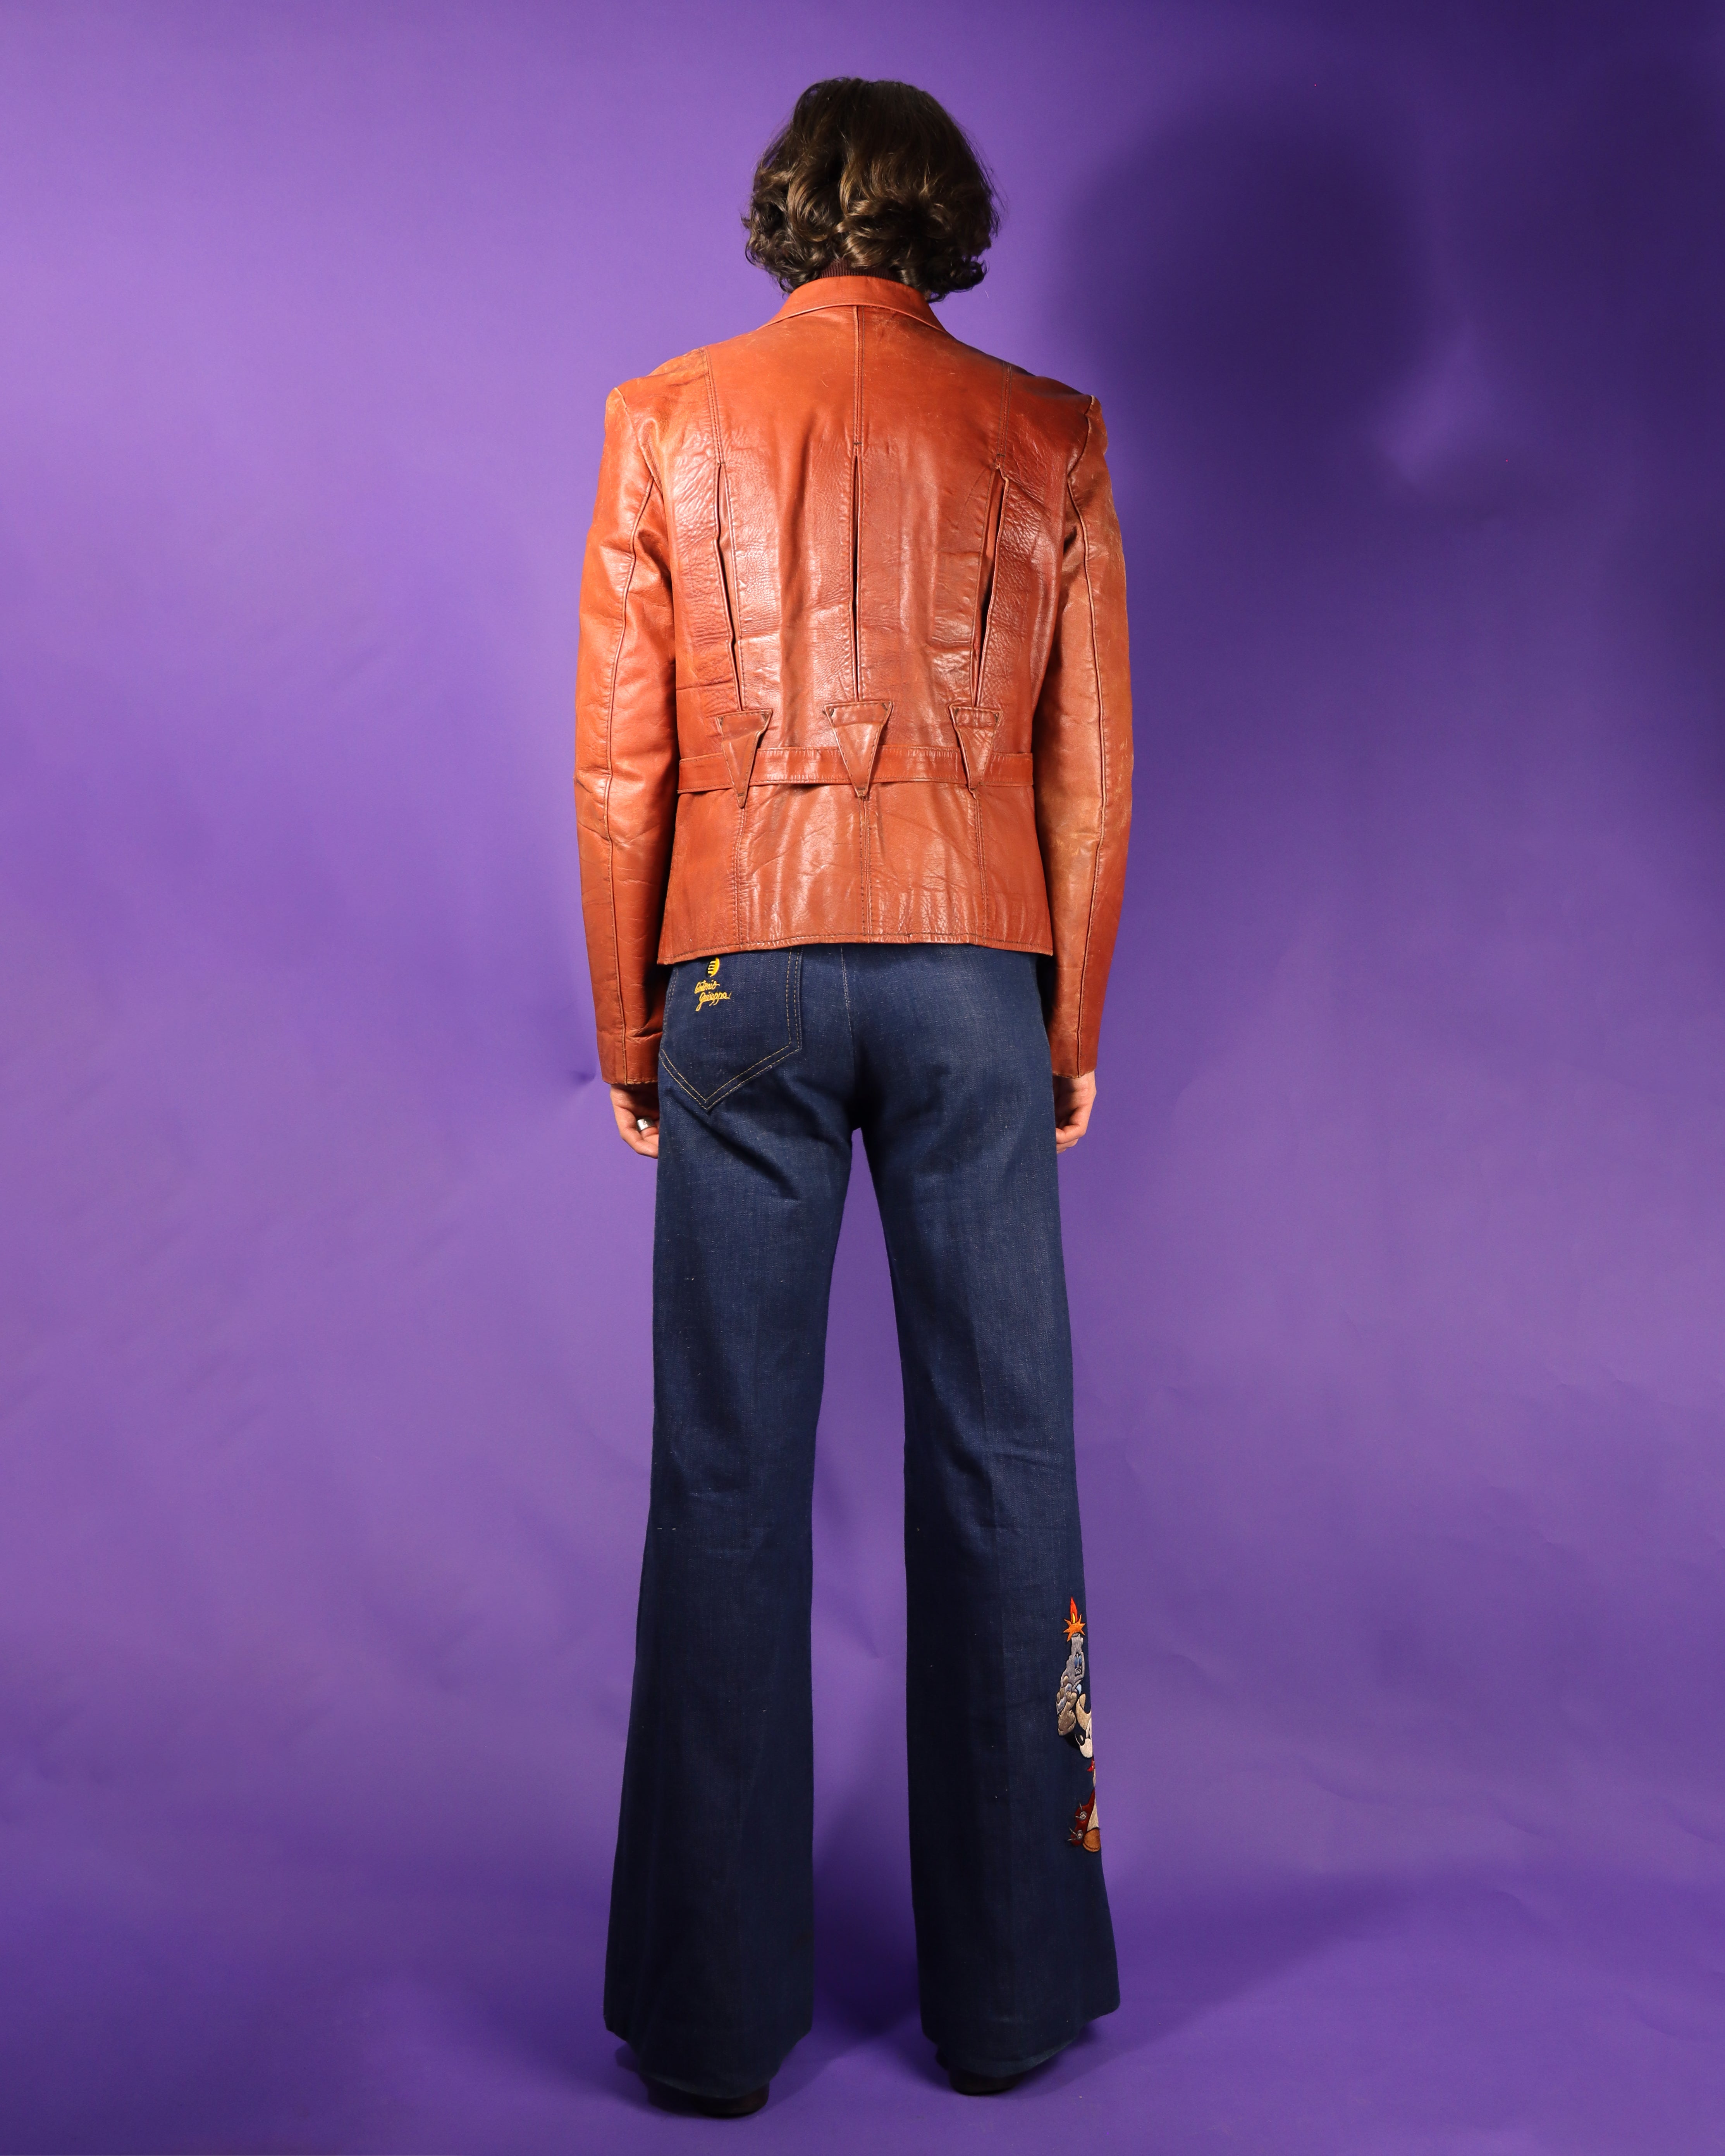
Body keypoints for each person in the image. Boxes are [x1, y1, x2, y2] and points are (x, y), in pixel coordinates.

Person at [573, 76, 1132, 2118]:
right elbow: (1087, 766)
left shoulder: (665, 416)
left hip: (739, 964)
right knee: (1004, 1461)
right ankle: (1011, 2006)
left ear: (788, 215)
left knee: (726, 1479)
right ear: (948, 221)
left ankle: (711, 2030)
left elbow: (621, 756)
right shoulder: (1048, 432)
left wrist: (630, 1031)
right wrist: (1066, 1028)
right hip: (979, 969)